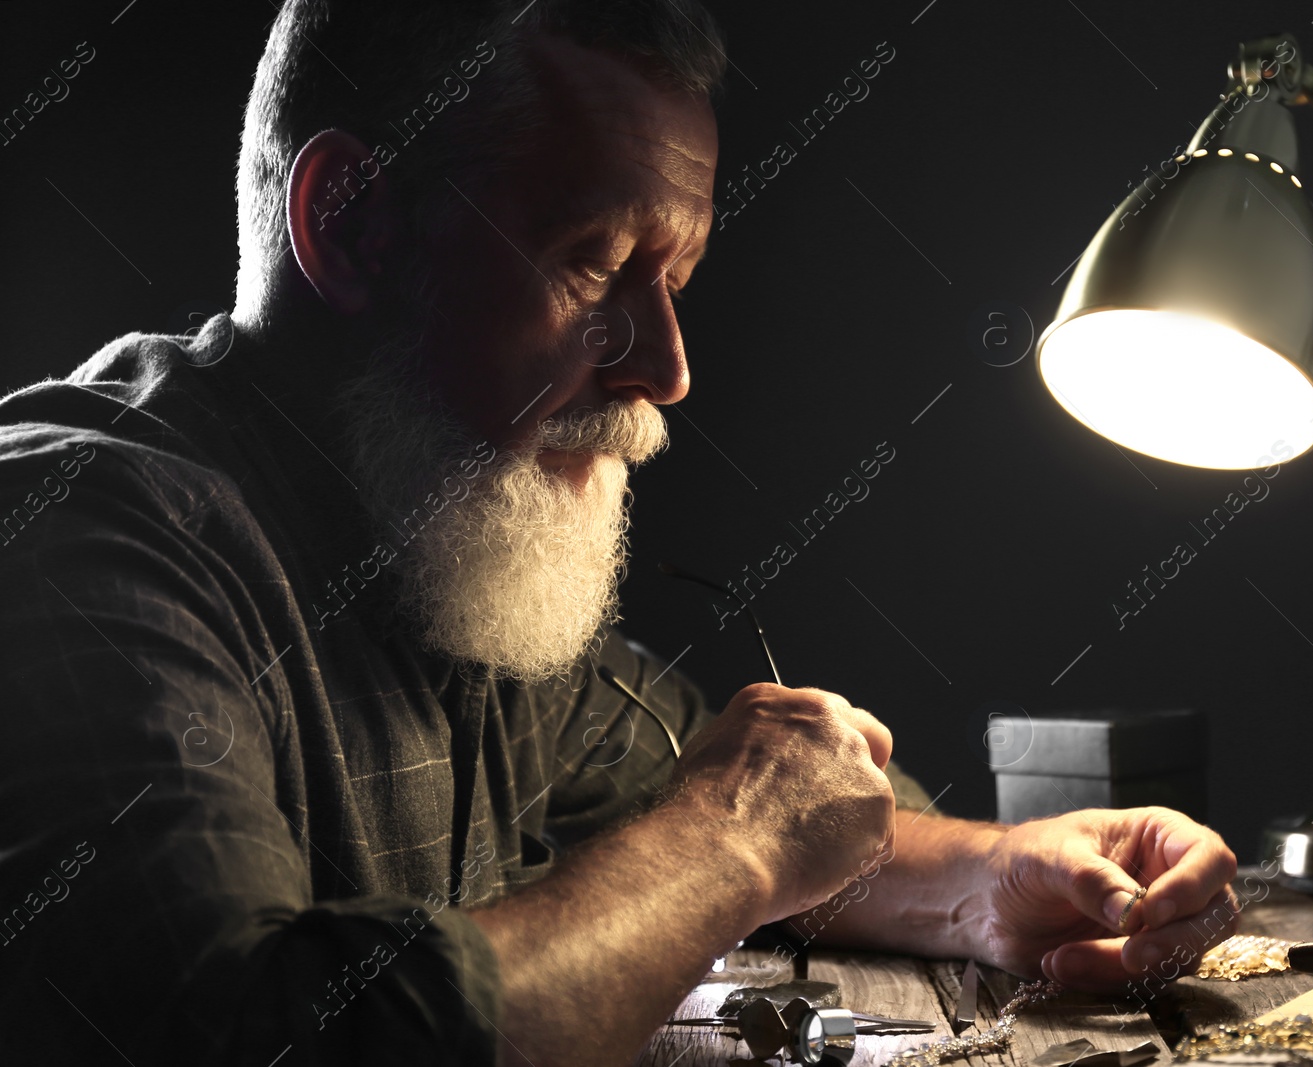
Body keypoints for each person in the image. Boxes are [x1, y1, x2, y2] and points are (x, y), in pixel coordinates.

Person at [0, 1, 1238, 1063]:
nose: (667, 365)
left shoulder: (440, 540)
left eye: (677, 283)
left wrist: (996, 881)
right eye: (595, 267)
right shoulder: (74, 540)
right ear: (350, 222)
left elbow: (719, 791)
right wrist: (731, 835)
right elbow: (250, 1036)